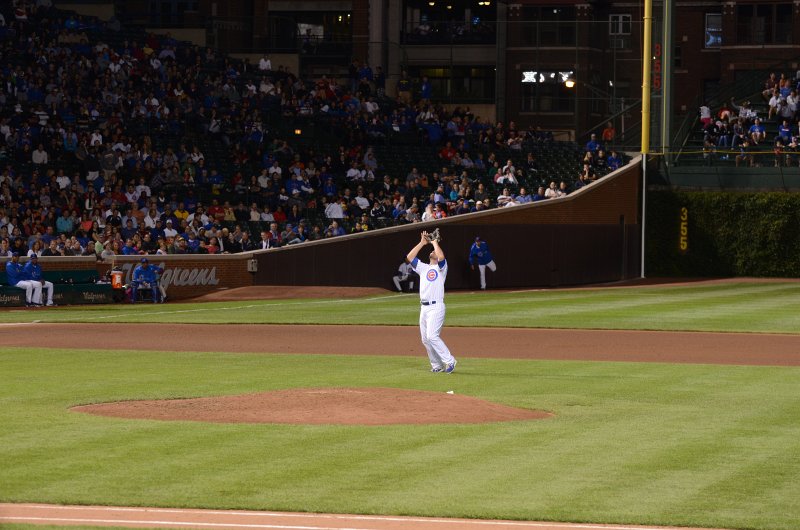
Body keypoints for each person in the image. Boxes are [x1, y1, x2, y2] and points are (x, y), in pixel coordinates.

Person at [406, 231, 457, 373]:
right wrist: (422, 243)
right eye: (432, 250)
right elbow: (409, 258)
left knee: (432, 336)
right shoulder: (423, 267)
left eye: (434, 250)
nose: (432, 252)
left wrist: (434, 242)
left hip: (436, 307)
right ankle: (437, 365)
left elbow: (441, 257)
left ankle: (450, 361)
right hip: (424, 308)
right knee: (425, 339)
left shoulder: (441, 268)